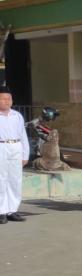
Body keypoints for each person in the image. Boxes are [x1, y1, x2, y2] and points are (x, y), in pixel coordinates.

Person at [0, 86, 28, 225]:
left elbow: (23, 136)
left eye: (9, 99)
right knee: (1, 179)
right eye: (3, 99)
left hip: (15, 147)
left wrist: (25, 154)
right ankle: (1, 211)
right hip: (1, 147)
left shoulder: (17, 116)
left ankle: (12, 210)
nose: (7, 101)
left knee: (15, 180)